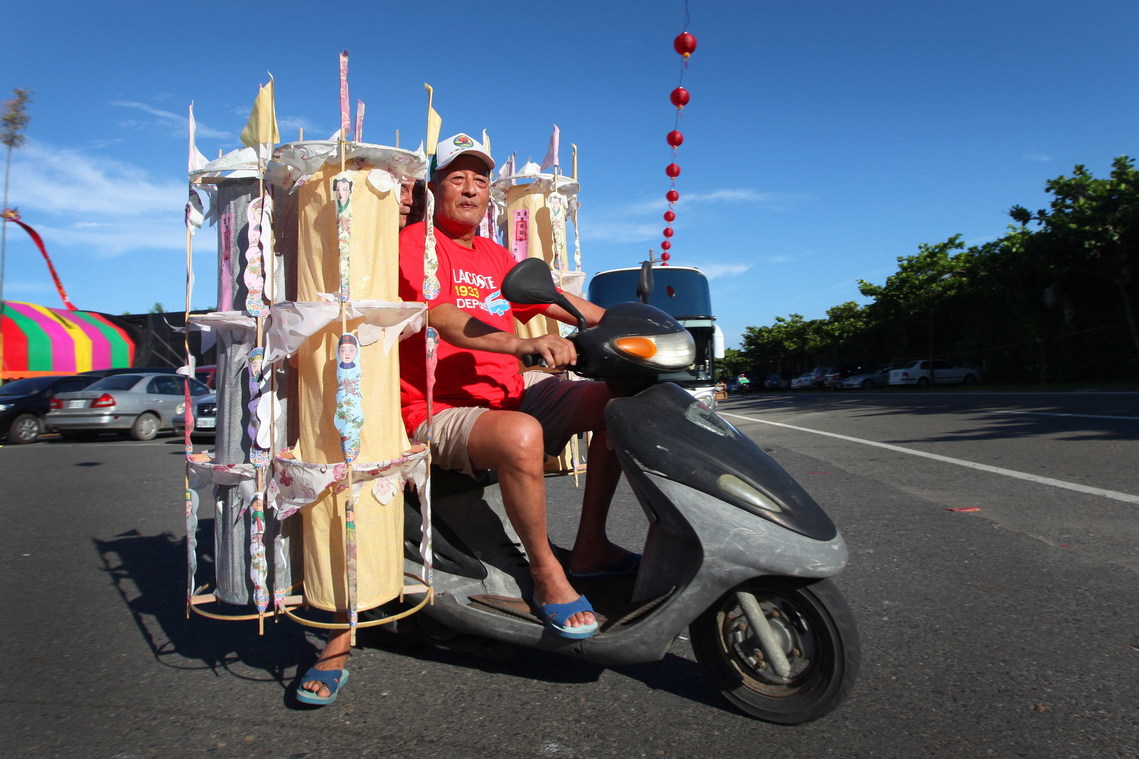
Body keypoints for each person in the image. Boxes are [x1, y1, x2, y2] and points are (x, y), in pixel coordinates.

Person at [396, 133, 634, 643]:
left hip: (507, 393)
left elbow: (552, 298)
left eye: (480, 181)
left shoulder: (496, 255)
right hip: (436, 407)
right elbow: (443, 317)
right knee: (522, 434)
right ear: (433, 189)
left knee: (621, 403)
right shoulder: (415, 244)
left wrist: (621, 322)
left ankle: (591, 546)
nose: (470, 189)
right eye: (456, 178)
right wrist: (520, 344)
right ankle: (547, 572)